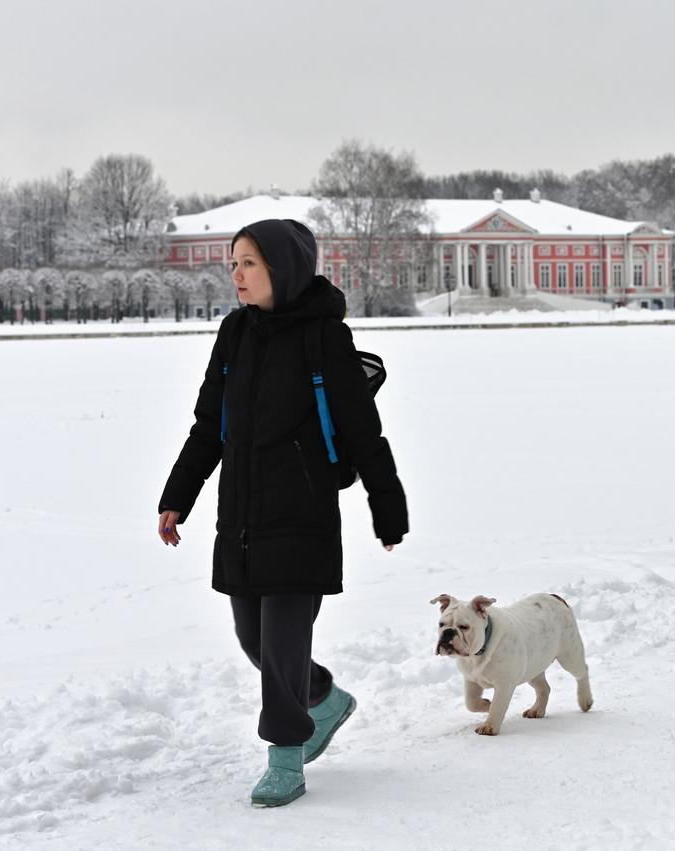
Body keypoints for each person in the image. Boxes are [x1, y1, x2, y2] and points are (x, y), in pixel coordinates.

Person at [157, 218, 408, 808]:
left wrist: (387, 506)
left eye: (248, 263)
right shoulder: (234, 333)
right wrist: (177, 497)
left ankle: (286, 755)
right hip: (242, 517)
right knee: (254, 639)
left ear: (282, 269)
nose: (236, 274)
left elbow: (363, 433)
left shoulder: (326, 339)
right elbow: (207, 427)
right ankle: (323, 698)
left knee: (283, 643)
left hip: (304, 514)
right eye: (234, 263)